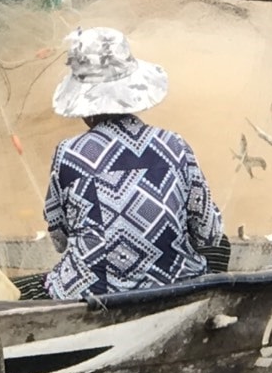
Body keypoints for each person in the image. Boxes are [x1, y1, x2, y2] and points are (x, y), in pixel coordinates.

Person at [24, 27, 226, 300]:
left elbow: (59, 238)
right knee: (221, 247)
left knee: (31, 288)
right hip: (174, 285)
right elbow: (208, 234)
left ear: (83, 104)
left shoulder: (68, 154)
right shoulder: (175, 146)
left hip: (92, 292)